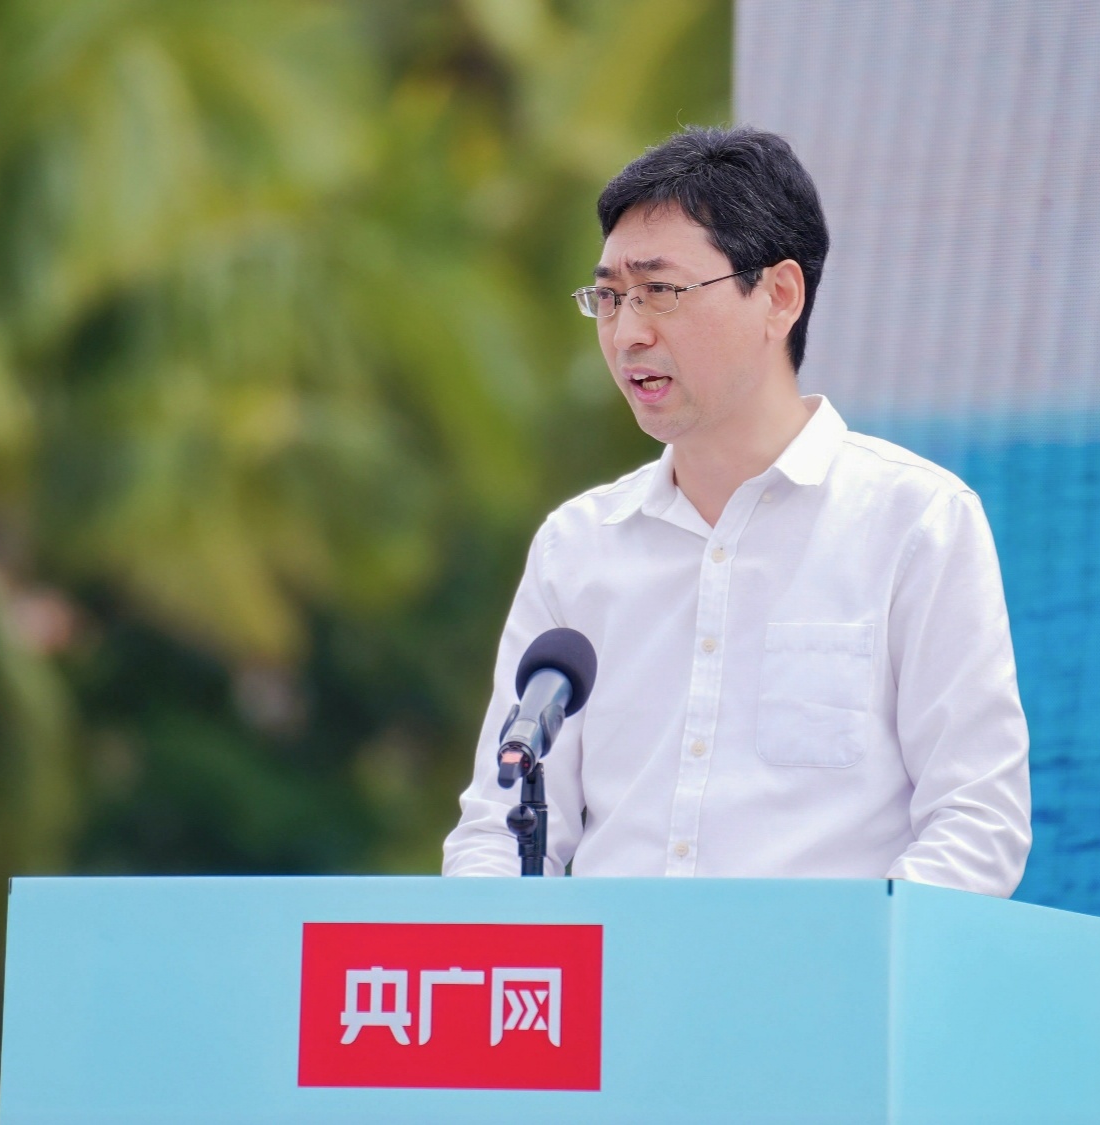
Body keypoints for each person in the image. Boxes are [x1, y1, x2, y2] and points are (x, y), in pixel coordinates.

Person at [440, 126, 1030, 893]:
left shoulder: (914, 522)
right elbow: (499, 826)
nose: (627, 333)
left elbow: (976, 821)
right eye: (610, 297)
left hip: (824, 969)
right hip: (613, 971)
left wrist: (845, 957)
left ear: (778, 296)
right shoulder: (577, 545)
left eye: (660, 291)